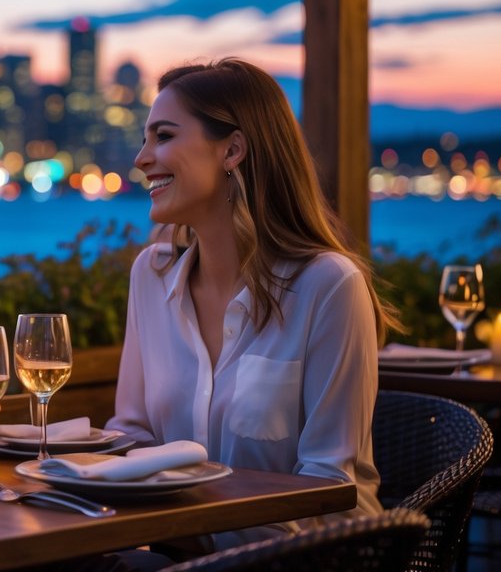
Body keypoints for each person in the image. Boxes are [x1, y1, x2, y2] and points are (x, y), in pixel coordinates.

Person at [108, 58, 401, 554]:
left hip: (306, 560)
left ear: (233, 150)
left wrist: (193, 522)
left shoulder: (328, 287)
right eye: (144, 139)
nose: (141, 157)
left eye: (163, 136)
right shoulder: (151, 277)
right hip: (177, 551)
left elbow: (329, 484)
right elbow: (132, 433)